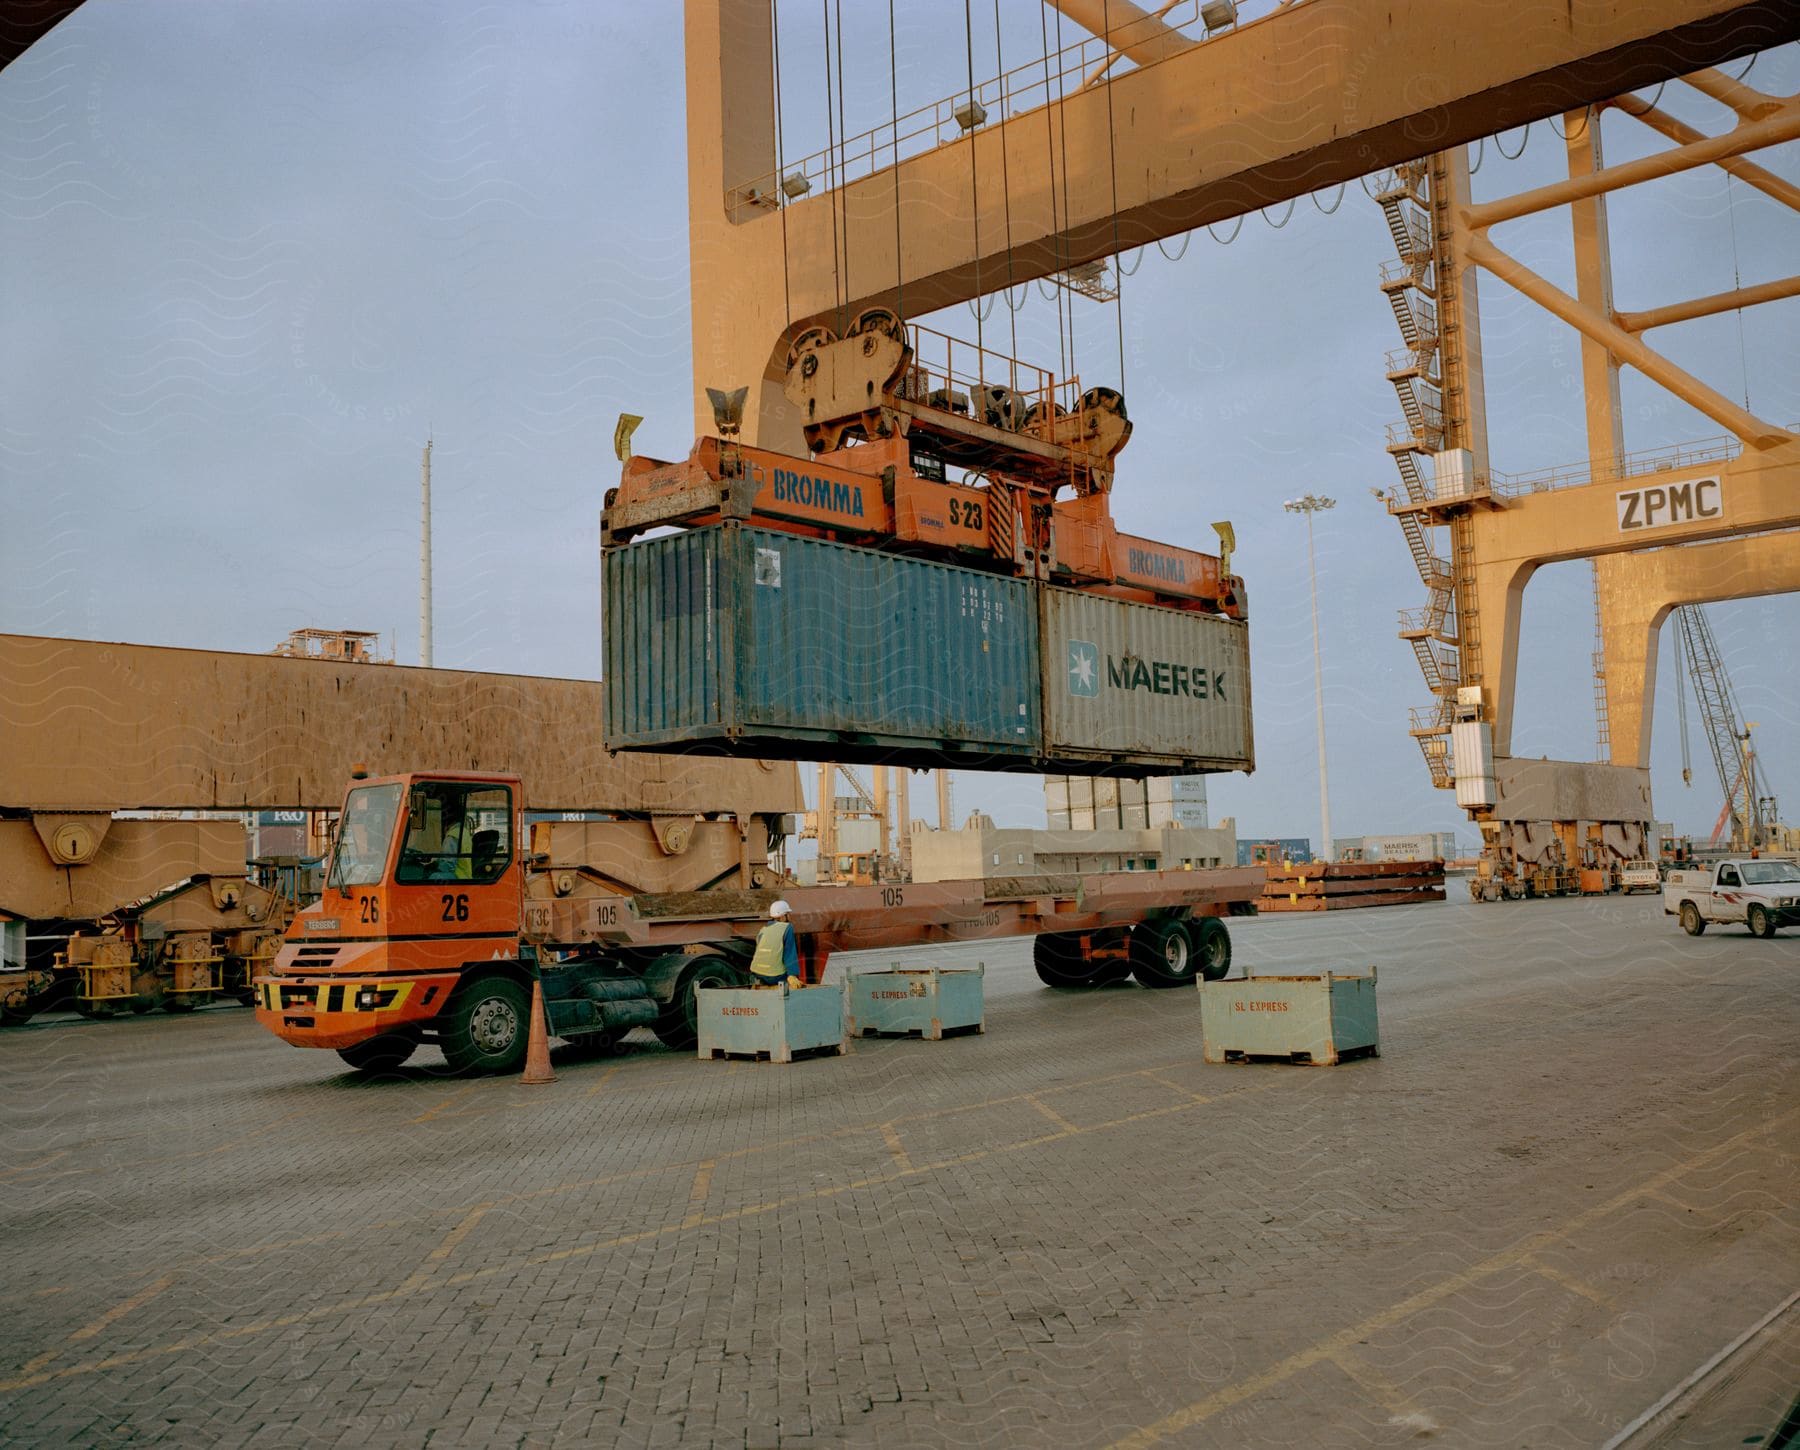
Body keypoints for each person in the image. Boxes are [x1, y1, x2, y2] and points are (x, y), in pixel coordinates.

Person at [749, 900, 801, 988]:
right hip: (774, 976)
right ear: (782, 916)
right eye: (788, 914)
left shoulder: (763, 929)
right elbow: (790, 953)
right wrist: (793, 974)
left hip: (756, 973)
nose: (789, 916)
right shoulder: (787, 928)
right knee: (792, 982)